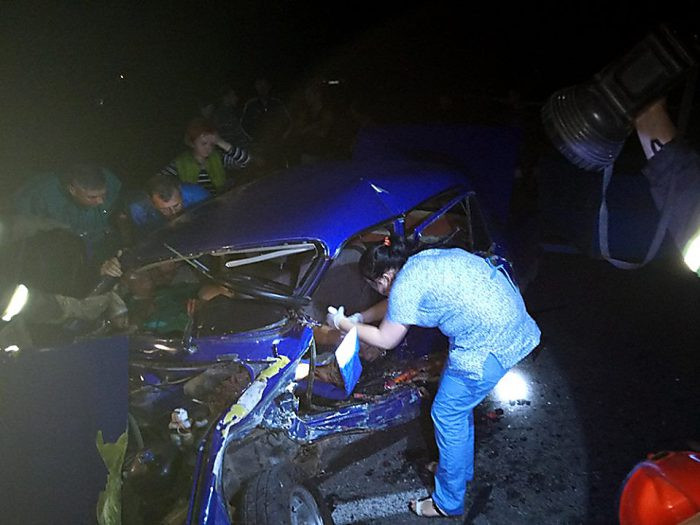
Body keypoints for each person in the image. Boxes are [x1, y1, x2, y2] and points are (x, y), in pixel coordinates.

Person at [326, 234, 541, 518]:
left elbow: (386, 338)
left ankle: (447, 502)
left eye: (373, 284)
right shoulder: (419, 262)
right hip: (507, 321)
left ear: (385, 278)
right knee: (457, 409)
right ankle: (457, 469)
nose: (376, 290)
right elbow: (397, 305)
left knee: (447, 413)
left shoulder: (404, 285)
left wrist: (342, 324)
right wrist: (361, 318)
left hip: (489, 345)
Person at [13, 164, 122, 267]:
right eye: (92, 197)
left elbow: (122, 207)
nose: (101, 201)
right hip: (65, 249)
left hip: (103, 240)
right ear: (72, 190)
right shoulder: (39, 195)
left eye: (103, 195)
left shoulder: (110, 181)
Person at [161, 117, 250, 195]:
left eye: (212, 144)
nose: (208, 148)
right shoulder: (179, 163)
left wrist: (220, 142)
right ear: (192, 143)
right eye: (203, 143)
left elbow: (245, 161)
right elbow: (159, 181)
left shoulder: (219, 158)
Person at [128, 173, 210, 233]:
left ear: (180, 191)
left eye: (176, 206)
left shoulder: (197, 194)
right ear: (150, 201)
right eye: (164, 209)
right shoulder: (139, 211)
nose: (174, 214)